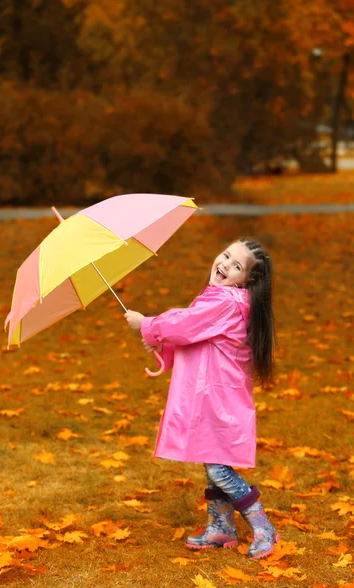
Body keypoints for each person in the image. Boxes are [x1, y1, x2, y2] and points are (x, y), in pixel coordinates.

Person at [125, 238, 279, 559]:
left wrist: (147, 324)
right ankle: (220, 525)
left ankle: (262, 524)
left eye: (236, 265)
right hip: (213, 395)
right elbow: (194, 335)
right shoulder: (219, 298)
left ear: (247, 280)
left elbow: (184, 324)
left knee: (219, 467)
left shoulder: (227, 302)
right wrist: (161, 343)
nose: (224, 264)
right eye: (225, 255)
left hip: (217, 398)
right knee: (212, 462)